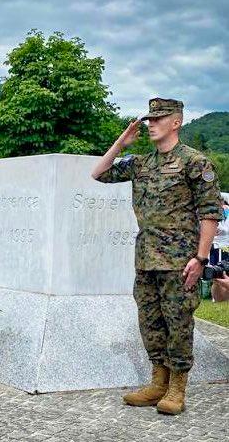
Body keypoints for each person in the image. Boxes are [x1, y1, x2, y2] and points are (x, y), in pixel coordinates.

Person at [91, 98, 223, 415]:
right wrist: (121, 142)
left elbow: (210, 213)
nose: (150, 124)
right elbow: (98, 173)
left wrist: (201, 258)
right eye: (149, 119)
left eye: (158, 119)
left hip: (180, 259)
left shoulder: (195, 162)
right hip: (146, 256)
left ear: (175, 122)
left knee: (178, 323)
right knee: (150, 322)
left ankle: (177, 388)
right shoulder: (142, 163)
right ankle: (157, 383)